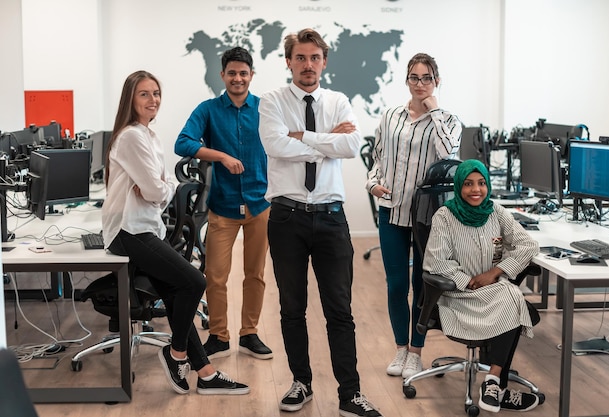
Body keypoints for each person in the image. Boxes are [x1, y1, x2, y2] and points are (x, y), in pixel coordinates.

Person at [259, 28, 383, 417]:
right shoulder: (272, 101)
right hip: (286, 217)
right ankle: (301, 383)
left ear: (324, 62)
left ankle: (350, 395)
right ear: (288, 61)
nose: (308, 64)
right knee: (292, 308)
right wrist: (326, 139)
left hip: (331, 219)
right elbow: (275, 145)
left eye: (315, 57)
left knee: (340, 311)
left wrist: (307, 138)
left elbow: (350, 146)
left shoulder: (338, 100)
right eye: (300, 57)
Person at [102, 70, 249, 396]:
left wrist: (158, 187)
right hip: (129, 230)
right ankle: (176, 354)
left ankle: (206, 374)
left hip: (145, 227)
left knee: (174, 292)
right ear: (130, 99)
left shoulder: (149, 136)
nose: (152, 99)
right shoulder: (130, 137)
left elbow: (161, 187)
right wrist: (158, 187)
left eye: (156, 93)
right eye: (144, 94)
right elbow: (158, 189)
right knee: (195, 282)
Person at [365, 53, 462, 380]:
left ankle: (417, 353)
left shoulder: (448, 120)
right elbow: (378, 158)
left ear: (436, 81)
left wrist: (433, 110)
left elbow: (448, 153)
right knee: (396, 285)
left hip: (427, 217)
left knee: (423, 287)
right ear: (407, 80)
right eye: (414, 78)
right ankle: (400, 349)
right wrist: (373, 183)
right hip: (391, 211)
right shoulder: (390, 116)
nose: (420, 84)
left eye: (426, 78)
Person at [175, 47, 272, 360]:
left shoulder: (266, 108)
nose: (238, 78)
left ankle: (250, 334)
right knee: (215, 276)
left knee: (255, 274)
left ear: (251, 76)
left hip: (261, 204)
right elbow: (183, 143)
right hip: (223, 206)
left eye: (243, 73)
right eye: (232, 73)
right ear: (223, 76)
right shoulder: (208, 109)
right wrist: (220, 156)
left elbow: (290, 139)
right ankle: (218, 335)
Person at [422, 159, 542, 413]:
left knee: (510, 295)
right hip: (459, 295)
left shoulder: (496, 212)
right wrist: (470, 282)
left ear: (487, 185)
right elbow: (436, 262)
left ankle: (493, 381)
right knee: (514, 299)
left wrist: (496, 272)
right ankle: (499, 388)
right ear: (458, 186)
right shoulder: (445, 216)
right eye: (468, 184)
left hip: (494, 291)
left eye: (481, 183)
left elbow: (528, 245)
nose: (475, 190)